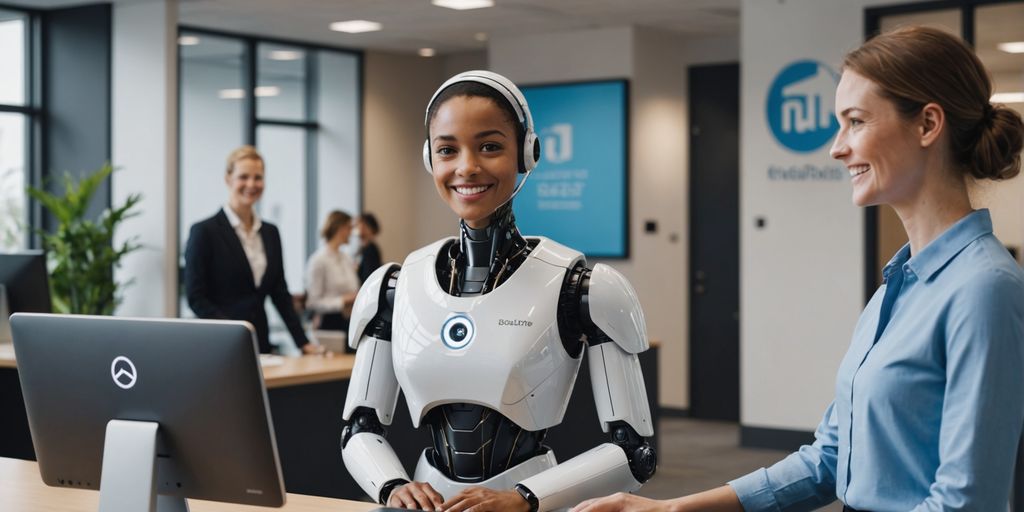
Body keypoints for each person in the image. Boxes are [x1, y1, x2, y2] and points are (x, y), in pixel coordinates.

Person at [571, 26, 1024, 512]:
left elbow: (967, 501)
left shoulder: (984, 290)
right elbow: (829, 460)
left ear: (927, 125)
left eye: (855, 121)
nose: (836, 147)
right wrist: (672, 509)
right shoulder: (897, 287)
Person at [339, 71, 658, 512]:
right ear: (430, 158)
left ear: (527, 153)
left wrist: (524, 499)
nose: (466, 167)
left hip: (532, 499)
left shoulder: (580, 286)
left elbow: (634, 452)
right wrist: (392, 485)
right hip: (423, 502)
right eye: (448, 150)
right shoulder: (395, 285)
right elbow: (360, 427)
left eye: (489, 146)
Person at [184, 145, 320, 355]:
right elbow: (196, 297)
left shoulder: (270, 232)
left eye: (258, 177)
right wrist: (235, 332)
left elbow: (280, 294)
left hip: (261, 344)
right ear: (228, 179)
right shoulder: (204, 231)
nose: (251, 184)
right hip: (219, 346)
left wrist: (303, 342)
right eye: (243, 177)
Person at [305, 210, 360, 333]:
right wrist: (342, 300)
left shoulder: (346, 258)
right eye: (349, 228)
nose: (351, 233)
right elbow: (313, 303)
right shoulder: (318, 260)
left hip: (350, 322)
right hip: (329, 324)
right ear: (340, 228)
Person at [356, 212, 382, 284]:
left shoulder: (370, 250)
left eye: (359, 224)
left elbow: (368, 276)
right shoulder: (362, 249)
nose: (357, 227)